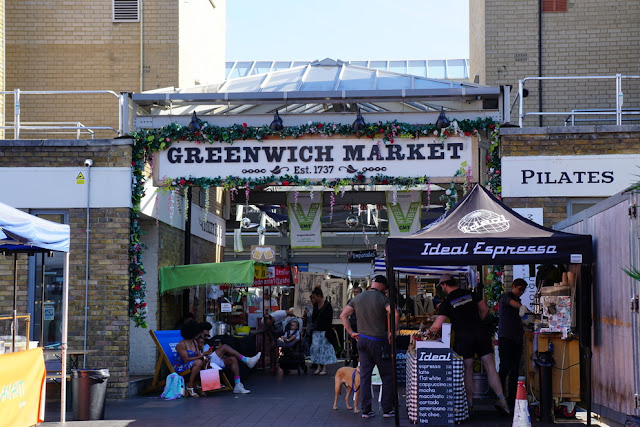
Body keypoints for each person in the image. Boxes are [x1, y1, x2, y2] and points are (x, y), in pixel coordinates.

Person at [428, 274, 510, 414]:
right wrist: (476, 323)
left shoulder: (447, 301)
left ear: (444, 285)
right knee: (490, 367)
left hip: (463, 336)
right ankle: (501, 399)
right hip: (480, 332)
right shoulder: (470, 294)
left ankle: (469, 404)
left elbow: (437, 326)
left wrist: (427, 331)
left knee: (468, 369)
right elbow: (484, 310)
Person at [340, 275, 399, 419]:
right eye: (385, 287)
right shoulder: (382, 298)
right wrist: (393, 332)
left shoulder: (358, 298)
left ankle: (366, 410)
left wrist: (351, 332)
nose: (385, 290)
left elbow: (343, 315)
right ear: (380, 285)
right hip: (378, 341)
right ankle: (387, 409)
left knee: (365, 376)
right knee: (387, 376)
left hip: (362, 341)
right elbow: (395, 312)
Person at [175, 320, 261, 395]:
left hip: (205, 360)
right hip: (194, 363)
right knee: (224, 347)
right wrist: (202, 353)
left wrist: (205, 353)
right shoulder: (185, 343)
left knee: (232, 359)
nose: (205, 338)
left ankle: (238, 385)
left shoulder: (194, 342)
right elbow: (187, 359)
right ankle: (246, 360)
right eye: (204, 335)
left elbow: (199, 354)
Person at [498, 278, 527, 411]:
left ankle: (511, 399)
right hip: (506, 337)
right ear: (514, 286)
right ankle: (500, 397)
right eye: (520, 289)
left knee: (514, 369)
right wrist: (522, 307)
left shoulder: (518, 301)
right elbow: (511, 303)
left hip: (516, 338)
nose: (521, 292)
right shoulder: (506, 297)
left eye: (523, 290)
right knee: (504, 367)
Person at [310, 287, 337, 375]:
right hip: (316, 330)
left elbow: (329, 319)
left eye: (314, 297)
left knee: (324, 348)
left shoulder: (327, 305)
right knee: (316, 348)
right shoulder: (315, 305)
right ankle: (318, 366)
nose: (313, 299)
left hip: (324, 330)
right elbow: (313, 317)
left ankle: (324, 367)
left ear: (319, 296)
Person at [345, 286, 362, 367]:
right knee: (354, 345)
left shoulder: (363, 301)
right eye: (354, 292)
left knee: (360, 345)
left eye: (356, 292)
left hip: (361, 326)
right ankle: (355, 363)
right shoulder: (350, 301)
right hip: (353, 325)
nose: (355, 294)